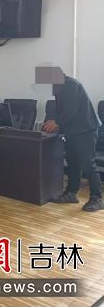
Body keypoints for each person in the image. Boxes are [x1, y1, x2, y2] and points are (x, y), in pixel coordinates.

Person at [43, 74, 103, 212]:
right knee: (73, 163)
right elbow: (62, 110)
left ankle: (97, 198)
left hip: (85, 130)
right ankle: (71, 193)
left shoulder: (70, 84)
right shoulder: (60, 87)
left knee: (88, 164)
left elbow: (71, 109)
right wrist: (54, 122)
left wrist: (57, 123)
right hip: (73, 131)